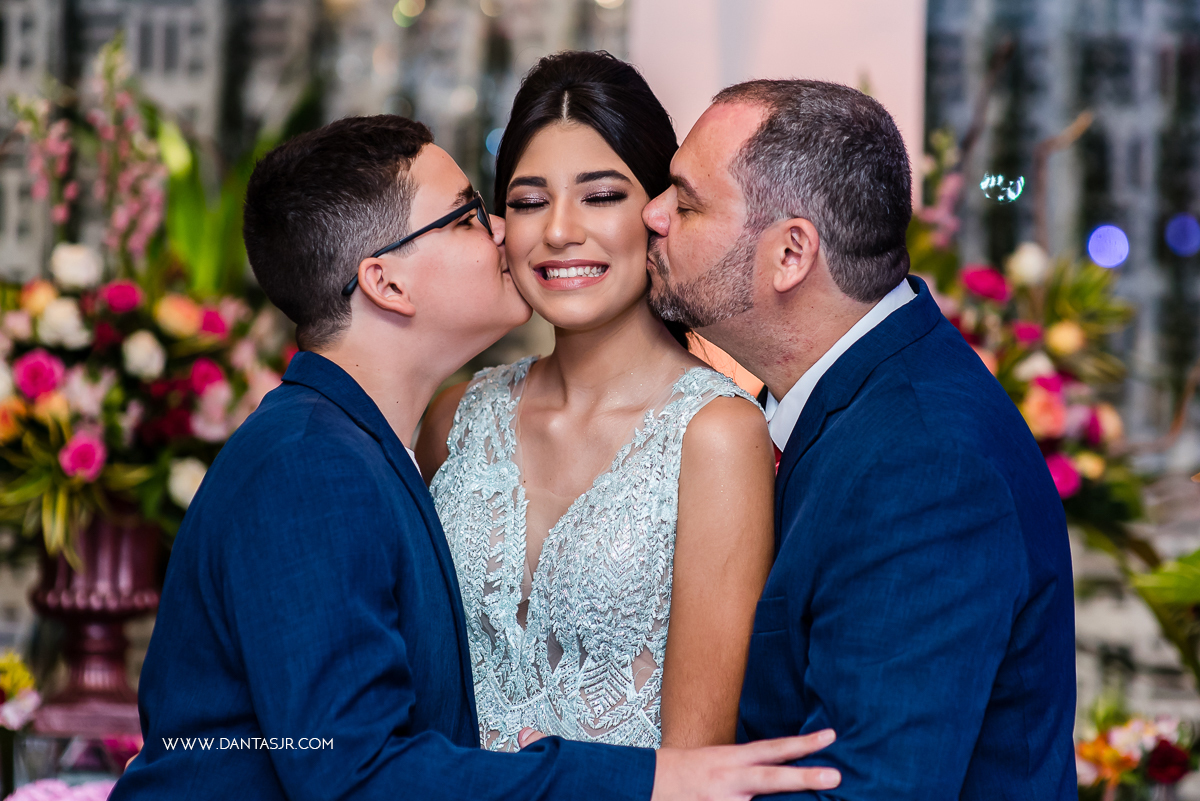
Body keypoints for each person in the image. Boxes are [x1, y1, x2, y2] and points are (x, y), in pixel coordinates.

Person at [110, 114, 841, 800]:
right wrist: (646, 779)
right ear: (386, 282)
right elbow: (353, 772)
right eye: (465, 217)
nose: (506, 232)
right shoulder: (312, 464)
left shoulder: (358, 442)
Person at [642, 79, 1077, 799]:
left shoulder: (924, 464)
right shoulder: (856, 404)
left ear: (790, 255)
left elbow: (866, 789)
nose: (652, 213)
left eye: (686, 202)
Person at [415, 51, 774, 753]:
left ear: (659, 214)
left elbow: (698, 762)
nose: (558, 230)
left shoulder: (719, 432)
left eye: (601, 195)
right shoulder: (455, 416)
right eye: (528, 200)